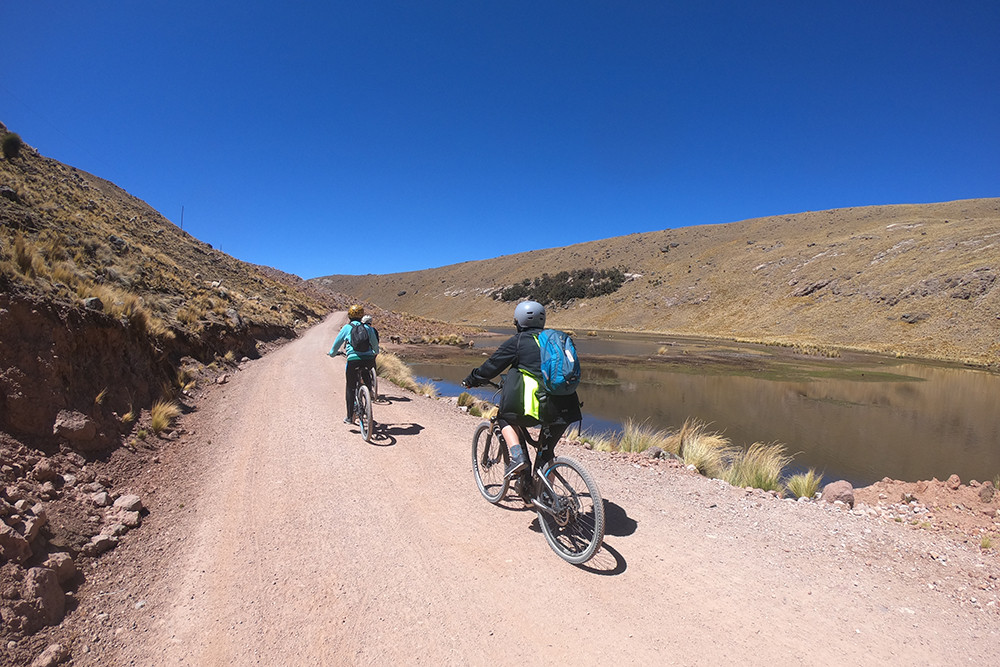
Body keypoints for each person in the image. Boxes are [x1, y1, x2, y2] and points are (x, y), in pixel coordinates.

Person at [462, 300, 582, 480]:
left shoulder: (518, 342)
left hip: (536, 406)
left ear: (518, 321)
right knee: (546, 453)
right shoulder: (556, 340)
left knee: (503, 416)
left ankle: (517, 456)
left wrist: (472, 379)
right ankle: (547, 499)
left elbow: (491, 367)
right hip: (566, 406)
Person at [328, 304, 379, 424]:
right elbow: (375, 346)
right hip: (368, 359)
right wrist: (374, 353)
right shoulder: (368, 328)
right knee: (366, 372)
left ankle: (350, 417)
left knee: (350, 387)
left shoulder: (347, 328)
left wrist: (332, 354)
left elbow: (336, 345)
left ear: (349, 316)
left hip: (353, 360)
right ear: (362, 316)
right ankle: (368, 389)